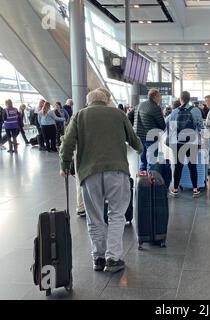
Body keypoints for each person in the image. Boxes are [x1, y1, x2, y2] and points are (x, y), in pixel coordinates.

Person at [59, 88, 143, 273]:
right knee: (116, 215)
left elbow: (67, 142)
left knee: (94, 216)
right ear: (106, 100)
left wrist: (64, 165)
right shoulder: (118, 114)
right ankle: (113, 258)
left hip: (89, 173)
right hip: (117, 171)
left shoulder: (79, 116)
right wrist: (139, 147)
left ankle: (98, 257)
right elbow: (134, 139)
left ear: (89, 101)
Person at [168, 91, 203, 198]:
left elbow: (172, 128)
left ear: (180, 99)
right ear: (189, 99)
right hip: (192, 142)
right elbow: (200, 126)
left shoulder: (175, 112)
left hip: (178, 143)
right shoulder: (196, 110)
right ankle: (195, 190)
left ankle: (175, 189)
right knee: (193, 166)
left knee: (178, 166)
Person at [132, 89, 166, 173]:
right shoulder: (155, 107)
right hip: (151, 139)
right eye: (159, 96)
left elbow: (129, 116)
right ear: (155, 97)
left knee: (143, 161)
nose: (160, 98)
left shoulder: (139, 105)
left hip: (139, 138)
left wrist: (135, 127)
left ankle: (142, 181)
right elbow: (162, 124)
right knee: (152, 162)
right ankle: (151, 183)